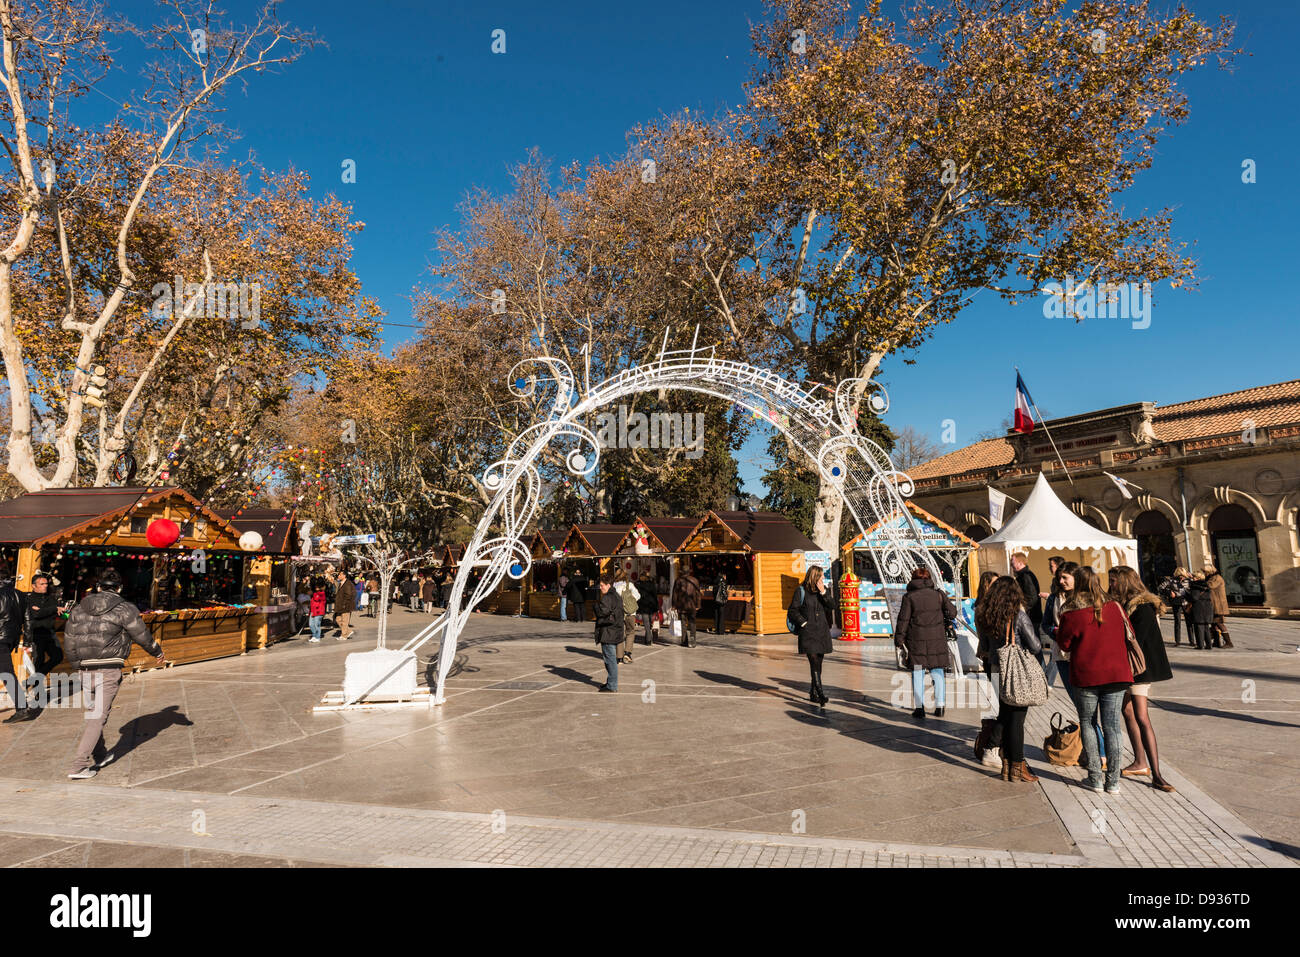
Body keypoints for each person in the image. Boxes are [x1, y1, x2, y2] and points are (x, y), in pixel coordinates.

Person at [62, 568, 167, 779]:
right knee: (97, 717)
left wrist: (77, 664)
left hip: (85, 667)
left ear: (98, 587)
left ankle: (100, 755)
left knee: (94, 714)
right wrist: (157, 651)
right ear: (119, 588)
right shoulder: (124, 608)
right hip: (108, 667)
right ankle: (79, 765)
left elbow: (69, 639)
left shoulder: (78, 608)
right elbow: (141, 635)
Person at [1056, 566, 1134, 794]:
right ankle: (1114, 782)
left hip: (1086, 675)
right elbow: (1130, 633)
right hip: (1117, 674)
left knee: (1088, 724)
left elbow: (1064, 644)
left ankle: (1095, 778)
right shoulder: (1115, 607)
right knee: (1113, 727)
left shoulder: (1071, 612)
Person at [1108, 566, 1176, 792]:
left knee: (1141, 715)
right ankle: (1139, 761)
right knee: (1127, 712)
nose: (1112, 585)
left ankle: (1157, 774)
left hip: (1139, 669)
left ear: (1125, 582)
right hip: (1127, 668)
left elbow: (1132, 639)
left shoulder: (1143, 608)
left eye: (1114, 581)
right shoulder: (1126, 605)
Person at [974, 576, 1042, 783]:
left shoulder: (986, 616)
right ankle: (1017, 766)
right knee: (1017, 719)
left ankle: (1007, 765)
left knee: (1006, 713)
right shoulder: (1018, 616)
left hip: (995, 668)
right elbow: (1036, 646)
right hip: (1015, 671)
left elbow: (984, 645)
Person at [894, 566, 957, 719]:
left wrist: (899, 639)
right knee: (937, 671)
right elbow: (953, 612)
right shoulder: (938, 595)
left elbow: (903, 620)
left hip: (916, 640)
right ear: (929, 579)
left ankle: (919, 707)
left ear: (913, 579)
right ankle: (940, 706)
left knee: (918, 673)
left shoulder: (909, 597)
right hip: (937, 638)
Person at [787, 565, 834, 705]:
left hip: (822, 632)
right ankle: (820, 693)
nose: (823, 578)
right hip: (808, 633)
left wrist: (824, 592)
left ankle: (813, 693)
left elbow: (832, 606)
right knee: (814, 662)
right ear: (814, 576)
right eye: (821, 576)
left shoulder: (823, 590)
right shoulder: (800, 590)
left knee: (818, 663)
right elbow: (793, 610)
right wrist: (803, 623)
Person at [970, 571, 1003, 767]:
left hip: (991, 657)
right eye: (994, 584)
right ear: (986, 586)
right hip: (992, 658)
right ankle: (992, 745)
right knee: (1004, 703)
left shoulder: (988, 607)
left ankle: (995, 743)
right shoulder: (984, 608)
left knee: (1002, 702)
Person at [0, 567, 31, 723]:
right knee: (6, 672)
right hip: (10, 638)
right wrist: (26, 640)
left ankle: (22, 708)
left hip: (0, 637)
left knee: (7, 673)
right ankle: (22, 707)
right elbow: (28, 619)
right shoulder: (20, 594)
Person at [25, 571, 64, 684]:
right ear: (34, 586)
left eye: (46, 583)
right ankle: (37, 691)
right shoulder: (29, 599)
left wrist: (52, 610)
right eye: (42, 584)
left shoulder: (50, 598)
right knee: (39, 661)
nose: (45, 586)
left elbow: (56, 612)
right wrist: (53, 609)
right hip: (36, 634)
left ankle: (33, 680)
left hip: (50, 633)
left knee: (58, 657)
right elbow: (36, 614)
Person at [593, 575, 622, 692]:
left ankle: (612, 685)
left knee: (610, 659)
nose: (601, 588)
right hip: (614, 631)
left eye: (602, 585)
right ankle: (611, 682)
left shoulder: (607, 598)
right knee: (609, 659)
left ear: (608, 585)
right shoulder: (617, 596)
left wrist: (595, 607)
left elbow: (602, 613)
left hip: (608, 631)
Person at [1157, 567, 1191, 647]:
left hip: (1186, 602)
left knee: (1189, 622)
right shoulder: (1171, 580)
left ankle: (1192, 640)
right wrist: (1169, 592)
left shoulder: (1188, 580)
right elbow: (1160, 588)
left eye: (1183, 575)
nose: (1182, 578)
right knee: (1177, 621)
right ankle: (1177, 641)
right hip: (1176, 602)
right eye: (1180, 576)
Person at [612, 567, 640, 664]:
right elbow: (638, 596)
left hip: (618, 613)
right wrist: (630, 602)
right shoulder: (630, 585)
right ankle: (627, 653)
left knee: (620, 634)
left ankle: (619, 658)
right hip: (630, 613)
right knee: (630, 632)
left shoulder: (614, 586)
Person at [1010, 552, 1043, 633]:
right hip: (1029, 617)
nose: (1011, 565)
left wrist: (1022, 610)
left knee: (1032, 642)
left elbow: (1032, 598)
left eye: (1013, 562)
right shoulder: (1022, 576)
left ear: (1020, 563)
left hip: (1031, 617)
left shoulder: (1026, 576)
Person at [672, 564, 702, 648]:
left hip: (682, 606)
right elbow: (698, 594)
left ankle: (684, 641)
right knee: (692, 623)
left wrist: (674, 605)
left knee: (683, 623)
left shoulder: (678, 580)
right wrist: (698, 605)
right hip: (692, 606)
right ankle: (692, 642)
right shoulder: (694, 580)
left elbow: (675, 594)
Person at [1204, 563, 1234, 648]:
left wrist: (1200, 580)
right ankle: (1216, 642)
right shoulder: (1211, 578)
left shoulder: (1216, 578)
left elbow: (1209, 585)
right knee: (1214, 624)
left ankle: (1229, 642)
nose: (1204, 574)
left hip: (1218, 606)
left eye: (1205, 572)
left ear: (1210, 571)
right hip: (1214, 605)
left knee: (1219, 623)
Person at [1187, 571, 1214, 650]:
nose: (1192, 578)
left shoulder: (1195, 586)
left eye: (1194, 577)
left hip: (1199, 608)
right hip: (1207, 608)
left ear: (1198, 578)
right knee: (1206, 627)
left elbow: (1194, 598)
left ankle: (1200, 645)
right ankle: (1209, 645)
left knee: (1198, 627)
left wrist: (1187, 595)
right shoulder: (1206, 586)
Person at [333, 569, 355, 640]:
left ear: (344, 575)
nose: (338, 576)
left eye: (340, 574)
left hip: (346, 606)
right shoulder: (341, 583)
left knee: (345, 621)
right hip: (340, 605)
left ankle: (344, 635)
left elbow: (348, 595)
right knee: (338, 619)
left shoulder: (348, 583)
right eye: (338, 574)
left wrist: (344, 604)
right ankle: (348, 631)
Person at [638, 573, 659, 646]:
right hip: (651, 605)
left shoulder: (639, 585)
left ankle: (648, 639)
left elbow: (638, 596)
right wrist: (656, 607)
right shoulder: (651, 584)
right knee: (649, 623)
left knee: (647, 624)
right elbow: (655, 595)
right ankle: (648, 639)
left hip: (644, 606)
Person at [308, 577, 327, 643]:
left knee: (317, 624)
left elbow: (316, 599)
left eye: (317, 586)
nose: (316, 588)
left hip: (319, 611)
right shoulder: (315, 593)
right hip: (313, 611)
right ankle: (314, 635)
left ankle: (317, 637)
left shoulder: (321, 593)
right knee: (311, 624)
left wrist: (312, 594)